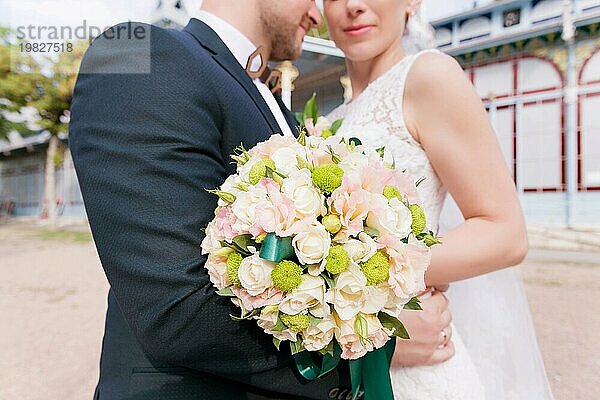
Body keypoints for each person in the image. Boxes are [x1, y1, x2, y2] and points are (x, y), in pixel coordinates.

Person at [69, 1, 455, 398]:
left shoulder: (277, 108)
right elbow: (177, 308)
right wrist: (372, 348)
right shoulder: (140, 56)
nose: (318, 16)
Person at [323, 0, 554, 398]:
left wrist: (366, 279)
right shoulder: (328, 122)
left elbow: (504, 232)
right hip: (358, 356)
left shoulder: (428, 76)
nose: (353, 6)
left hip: (421, 367)